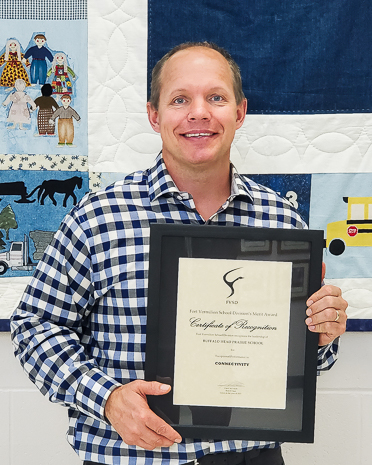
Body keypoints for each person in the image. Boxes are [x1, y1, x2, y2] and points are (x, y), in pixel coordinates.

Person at [11, 42, 348, 465]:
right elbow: (35, 326)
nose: (199, 113)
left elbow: (308, 357)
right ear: (154, 115)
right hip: (129, 457)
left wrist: (322, 335)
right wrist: (106, 398)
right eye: (180, 99)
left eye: (216, 97)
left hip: (249, 455)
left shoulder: (282, 220)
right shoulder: (98, 217)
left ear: (239, 113)